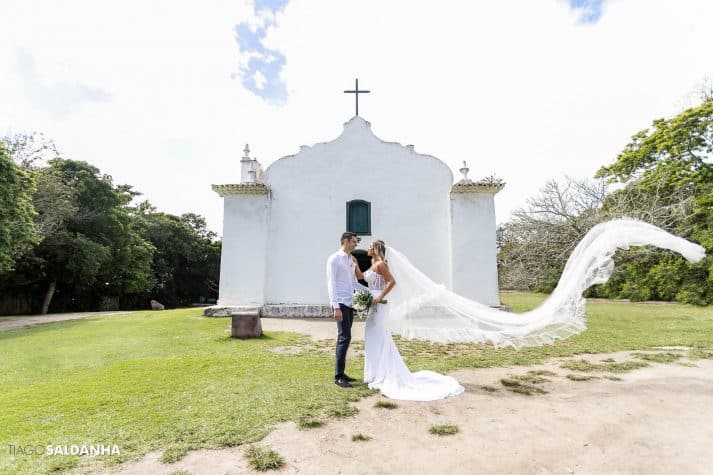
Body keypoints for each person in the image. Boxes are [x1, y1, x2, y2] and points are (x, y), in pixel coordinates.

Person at [361, 239, 465, 401]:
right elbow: (363, 277)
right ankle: (374, 373)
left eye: (370, 246)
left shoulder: (381, 264)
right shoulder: (372, 263)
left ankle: (384, 373)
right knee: (372, 338)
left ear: (376, 249)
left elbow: (391, 282)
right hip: (372, 306)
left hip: (380, 306)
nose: (368, 248)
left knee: (380, 336)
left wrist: (380, 296)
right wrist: (353, 264)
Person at [326, 232, 369, 388]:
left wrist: (371, 293)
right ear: (345, 241)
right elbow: (331, 284)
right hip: (341, 304)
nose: (356, 244)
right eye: (353, 241)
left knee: (346, 337)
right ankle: (338, 376)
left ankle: (342, 373)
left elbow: (354, 284)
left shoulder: (351, 260)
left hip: (350, 303)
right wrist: (335, 307)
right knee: (344, 337)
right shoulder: (334, 259)